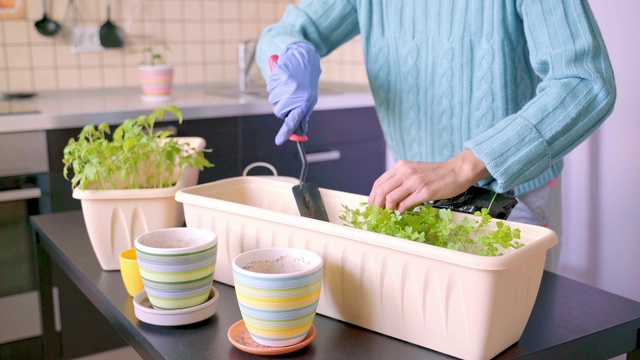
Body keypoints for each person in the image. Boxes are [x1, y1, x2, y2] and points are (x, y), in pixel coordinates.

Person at [255, 0, 616, 272]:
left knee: (520, 338)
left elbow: (585, 82)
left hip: (513, 197)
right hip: (411, 196)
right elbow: (286, 31)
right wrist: (290, 54)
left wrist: (463, 166)